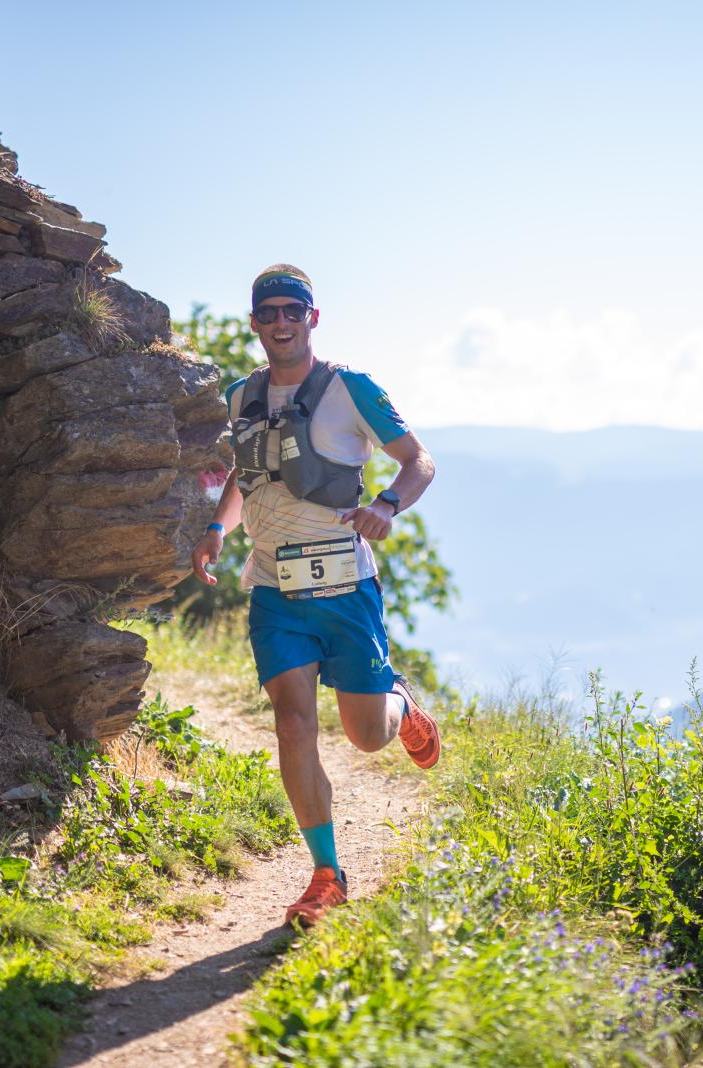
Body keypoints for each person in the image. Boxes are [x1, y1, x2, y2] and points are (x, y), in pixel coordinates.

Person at [190, 264, 440, 929]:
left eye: (292, 312)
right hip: (274, 588)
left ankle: (400, 704)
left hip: (346, 587)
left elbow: (418, 460)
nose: (280, 323)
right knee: (292, 721)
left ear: (312, 318)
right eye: (268, 313)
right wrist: (218, 528)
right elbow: (249, 478)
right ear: (254, 323)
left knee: (364, 738)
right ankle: (326, 874)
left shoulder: (349, 388)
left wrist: (387, 504)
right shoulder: (243, 396)